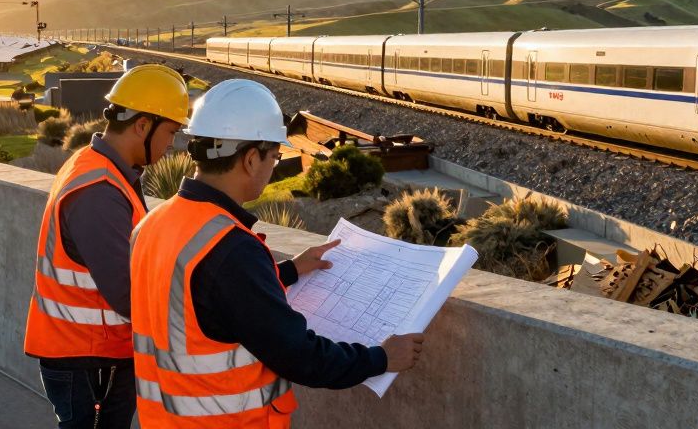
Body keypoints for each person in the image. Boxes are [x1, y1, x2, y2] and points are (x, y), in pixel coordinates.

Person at [129, 78, 423, 427]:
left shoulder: (153, 224)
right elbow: (300, 356)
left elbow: (199, 297)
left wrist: (288, 271)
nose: (272, 167)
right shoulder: (230, 250)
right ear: (251, 159)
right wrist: (381, 359)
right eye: (274, 156)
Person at [24, 64, 192, 428]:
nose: (171, 145)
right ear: (143, 126)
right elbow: (129, 293)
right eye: (171, 132)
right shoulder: (98, 191)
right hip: (87, 359)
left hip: (90, 353)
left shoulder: (98, 167)